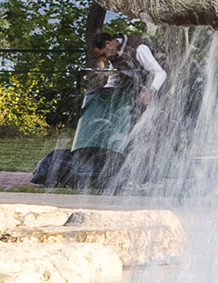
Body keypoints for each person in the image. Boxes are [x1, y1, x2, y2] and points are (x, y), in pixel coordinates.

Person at [34, 33, 169, 189]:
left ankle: (151, 180)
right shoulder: (115, 57)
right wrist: (102, 96)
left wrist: (150, 91)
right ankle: (135, 176)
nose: (104, 60)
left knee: (146, 134)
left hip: (161, 91)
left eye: (103, 55)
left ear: (108, 43)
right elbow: (114, 80)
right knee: (132, 135)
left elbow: (160, 73)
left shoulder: (139, 48)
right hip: (140, 96)